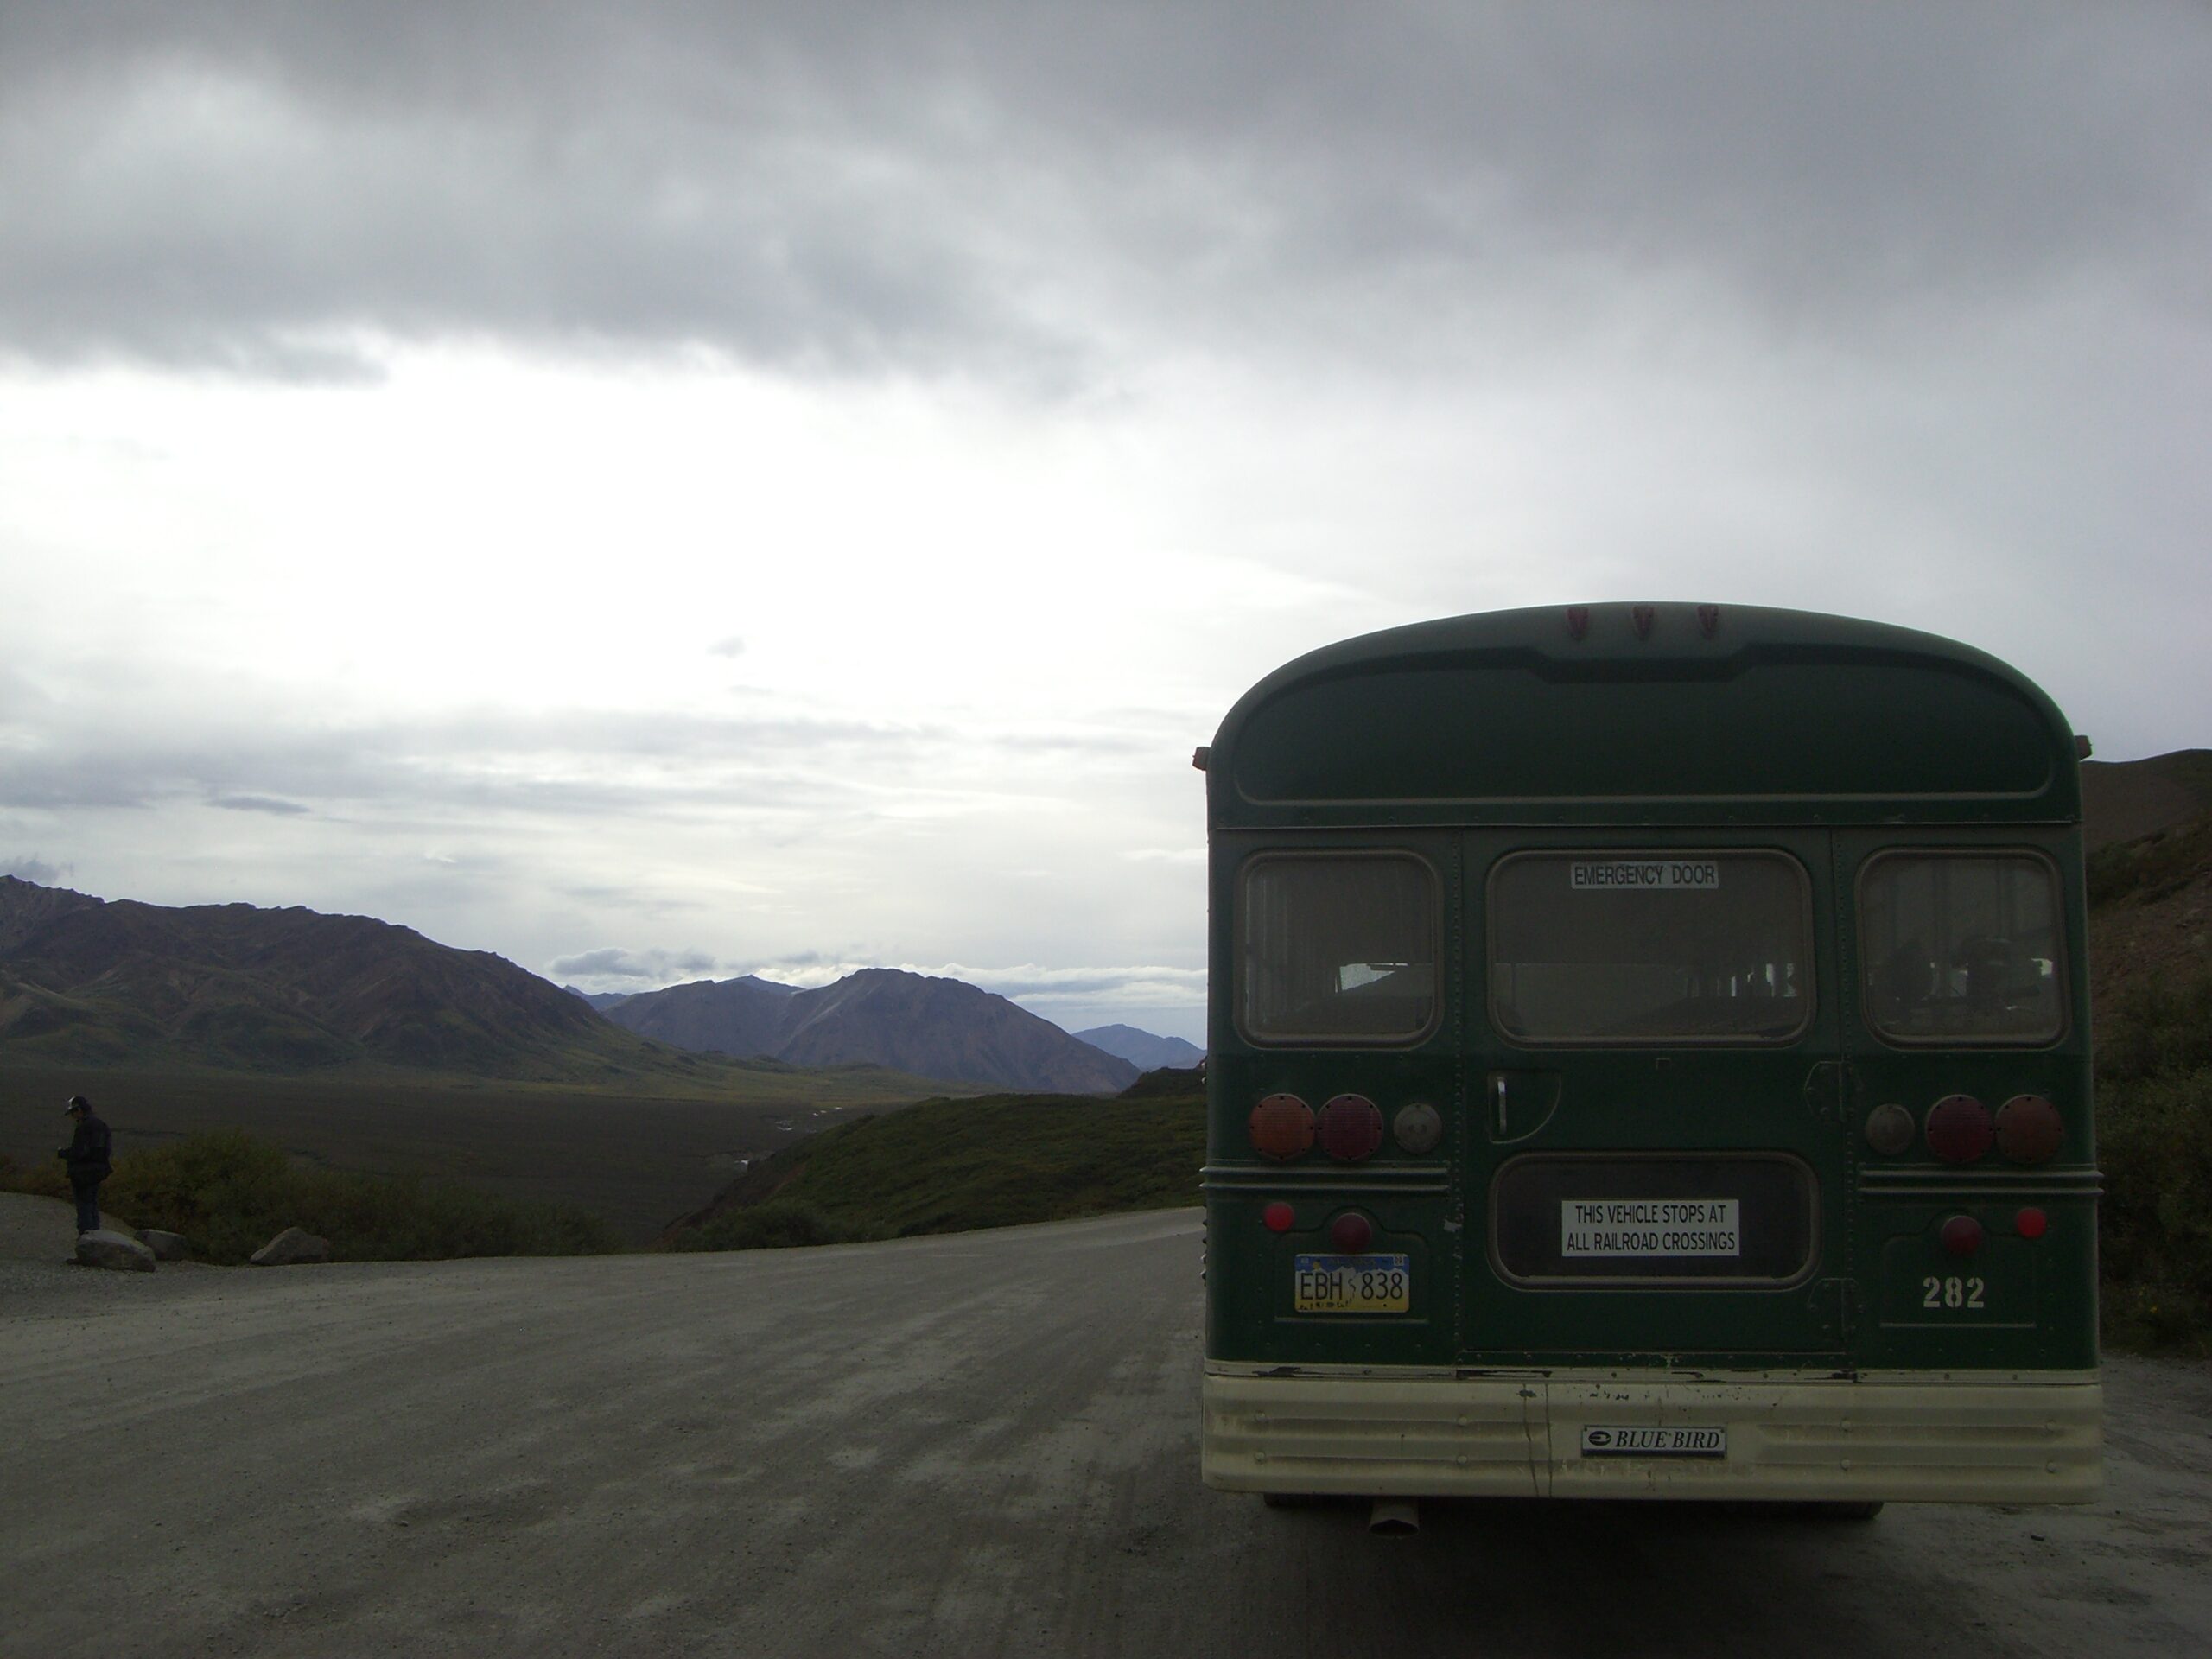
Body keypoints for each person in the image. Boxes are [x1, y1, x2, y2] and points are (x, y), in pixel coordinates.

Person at [57, 1096, 112, 1235]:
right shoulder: (101, 1125)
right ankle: (97, 1238)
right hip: (98, 1171)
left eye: (73, 1113)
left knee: (84, 1208)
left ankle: (87, 1241)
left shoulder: (84, 1127)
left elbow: (79, 1151)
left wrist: (63, 1154)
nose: (72, 1117)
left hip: (83, 1173)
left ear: (79, 1110)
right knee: (92, 1205)